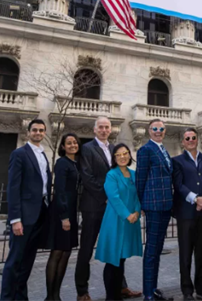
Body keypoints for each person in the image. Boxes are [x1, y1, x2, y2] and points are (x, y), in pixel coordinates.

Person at [76, 116, 140, 301]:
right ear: (95, 129)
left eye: (107, 127)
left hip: (114, 210)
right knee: (86, 249)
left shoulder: (114, 149)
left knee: (118, 248)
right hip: (94, 207)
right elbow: (87, 177)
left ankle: (121, 287)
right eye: (101, 127)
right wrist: (107, 197)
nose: (104, 130)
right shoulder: (87, 148)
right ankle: (82, 291)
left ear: (111, 129)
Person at [0, 119, 52, 301]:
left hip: (39, 214)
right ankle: (6, 298)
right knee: (15, 261)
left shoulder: (43, 154)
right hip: (24, 216)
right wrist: (15, 219)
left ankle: (21, 297)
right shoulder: (19, 154)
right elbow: (13, 187)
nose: (38, 133)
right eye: (35, 130)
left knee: (28, 261)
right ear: (29, 132)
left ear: (44, 133)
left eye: (41, 130)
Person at [172, 128, 202, 301]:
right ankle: (187, 291)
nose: (191, 140)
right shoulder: (177, 161)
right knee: (185, 253)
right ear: (182, 142)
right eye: (187, 138)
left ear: (197, 140)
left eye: (193, 137)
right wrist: (195, 198)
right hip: (186, 213)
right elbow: (178, 184)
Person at [96, 143, 143, 301]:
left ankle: (118, 294)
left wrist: (137, 211)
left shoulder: (134, 174)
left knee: (121, 259)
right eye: (118, 154)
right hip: (115, 221)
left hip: (130, 221)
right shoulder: (112, 175)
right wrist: (127, 215)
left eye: (125, 153)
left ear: (129, 155)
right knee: (113, 260)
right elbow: (114, 198)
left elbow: (138, 195)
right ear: (114, 158)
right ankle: (111, 297)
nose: (122, 157)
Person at [136, 119, 174, 301]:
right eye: (155, 128)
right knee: (151, 251)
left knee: (157, 249)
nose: (158, 131)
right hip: (153, 205)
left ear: (165, 131)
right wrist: (140, 204)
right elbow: (140, 178)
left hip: (165, 206)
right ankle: (148, 294)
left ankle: (153, 288)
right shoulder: (145, 150)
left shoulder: (163, 149)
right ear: (149, 130)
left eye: (161, 128)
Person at [44, 133, 81, 301]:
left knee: (66, 252)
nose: (73, 145)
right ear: (63, 147)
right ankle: (50, 297)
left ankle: (56, 295)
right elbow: (59, 191)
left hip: (71, 212)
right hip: (61, 212)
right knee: (57, 252)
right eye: (69, 143)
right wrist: (64, 217)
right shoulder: (62, 163)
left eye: (75, 142)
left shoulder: (75, 163)